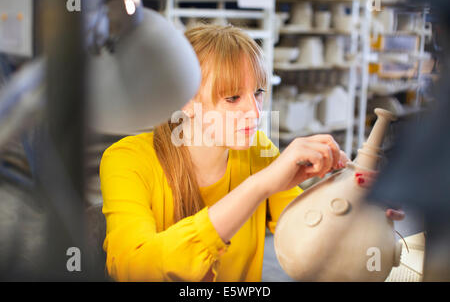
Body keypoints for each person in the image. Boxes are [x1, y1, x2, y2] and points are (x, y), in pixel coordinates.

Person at [99, 24, 404, 282]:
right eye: (233, 97)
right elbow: (132, 267)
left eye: (257, 93)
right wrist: (259, 186)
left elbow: (304, 234)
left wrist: (355, 207)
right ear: (185, 100)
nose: (255, 112)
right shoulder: (127, 160)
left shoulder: (257, 150)